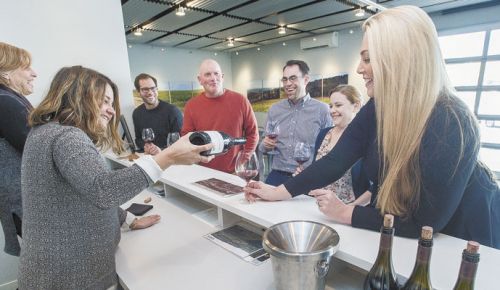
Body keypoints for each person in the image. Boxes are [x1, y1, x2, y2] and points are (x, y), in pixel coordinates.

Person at [245, 6, 500, 249]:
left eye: (367, 59)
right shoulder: (378, 106)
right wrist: (279, 191)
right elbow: (335, 161)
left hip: (459, 237)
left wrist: (347, 213)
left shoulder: (453, 121)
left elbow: (425, 222)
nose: (359, 68)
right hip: (405, 232)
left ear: (400, 59)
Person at [19, 65, 213, 289]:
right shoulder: (65, 136)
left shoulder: (46, 131)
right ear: (78, 96)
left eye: (111, 104)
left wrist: (127, 220)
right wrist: (167, 158)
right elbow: (102, 190)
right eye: (104, 101)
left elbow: (82, 194)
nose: (111, 111)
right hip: (69, 276)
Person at [294, 85, 371, 205]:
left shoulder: (366, 139)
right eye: (331, 106)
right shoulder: (324, 134)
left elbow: (376, 187)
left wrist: (349, 210)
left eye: (338, 105)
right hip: (317, 205)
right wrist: (306, 177)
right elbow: (319, 171)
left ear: (356, 106)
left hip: (348, 210)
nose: (332, 110)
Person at [260, 60, 332, 186]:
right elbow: (262, 148)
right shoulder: (274, 110)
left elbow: (329, 150)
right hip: (277, 175)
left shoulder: (323, 110)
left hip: (307, 176)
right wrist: (265, 144)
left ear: (306, 79)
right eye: (285, 79)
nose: (288, 84)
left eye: (293, 78)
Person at [181, 59, 258, 173]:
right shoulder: (191, 106)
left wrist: (243, 160)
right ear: (200, 80)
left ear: (222, 77)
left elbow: (253, 134)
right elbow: (187, 138)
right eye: (207, 74)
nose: (213, 78)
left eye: (216, 73)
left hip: (234, 172)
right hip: (203, 172)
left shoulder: (241, 101)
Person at [0, 42, 37, 256]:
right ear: (5, 73)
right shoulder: (7, 103)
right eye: (26, 67)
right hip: (25, 205)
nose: (34, 73)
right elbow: (39, 154)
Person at [132, 73, 183, 155]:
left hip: (171, 158)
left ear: (157, 89)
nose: (150, 92)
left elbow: (181, 142)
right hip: (150, 158)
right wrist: (145, 146)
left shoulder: (173, 111)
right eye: (145, 89)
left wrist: (161, 151)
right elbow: (138, 139)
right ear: (138, 92)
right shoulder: (137, 113)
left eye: (153, 88)